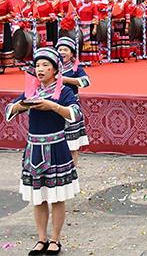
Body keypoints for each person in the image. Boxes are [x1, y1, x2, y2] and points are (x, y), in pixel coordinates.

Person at [5, 47, 82, 256]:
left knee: (56, 197)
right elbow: (9, 110)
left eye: (45, 65)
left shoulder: (63, 91)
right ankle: (41, 238)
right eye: (38, 65)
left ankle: (55, 239)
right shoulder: (31, 91)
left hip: (56, 148)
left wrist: (52, 106)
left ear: (55, 70)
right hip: (34, 149)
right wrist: (21, 105)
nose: (40, 69)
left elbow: (75, 113)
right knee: (38, 198)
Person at [55, 37, 91, 166]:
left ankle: (72, 170)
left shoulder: (75, 68)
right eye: (59, 49)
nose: (62, 52)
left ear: (71, 54)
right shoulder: (52, 67)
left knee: (72, 143)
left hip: (70, 107)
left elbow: (86, 82)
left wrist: (65, 80)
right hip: (54, 107)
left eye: (65, 49)